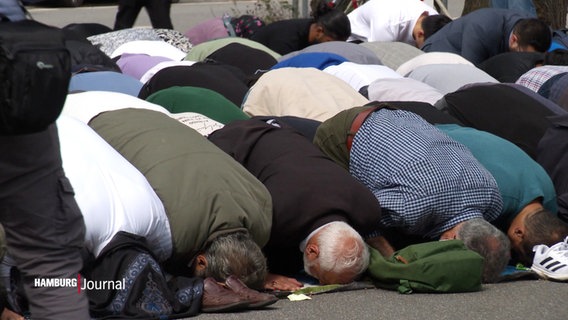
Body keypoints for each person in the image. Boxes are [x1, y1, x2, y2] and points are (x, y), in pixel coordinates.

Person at [313, 104, 510, 282]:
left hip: (402, 117)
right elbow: (361, 210)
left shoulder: (492, 197)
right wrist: (392, 263)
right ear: (449, 240)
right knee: (341, 209)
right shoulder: (414, 207)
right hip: (347, 132)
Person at [86, 107, 273, 290]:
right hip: (98, 123)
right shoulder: (173, 238)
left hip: (152, 114)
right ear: (201, 262)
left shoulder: (263, 219)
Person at [207, 117, 382, 290]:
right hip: (229, 143)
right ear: (312, 251)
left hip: (282, 128)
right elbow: (231, 248)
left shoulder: (368, 208)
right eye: (321, 278)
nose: (320, 284)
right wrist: (264, 277)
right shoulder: (271, 218)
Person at [436, 123, 568, 267]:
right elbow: (451, 231)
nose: (510, 249)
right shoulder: (492, 198)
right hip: (430, 138)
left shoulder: (548, 195)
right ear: (518, 233)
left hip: (462, 131)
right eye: (516, 250)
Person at [421, 8, 551, 65]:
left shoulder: (533, 28)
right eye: (526, 56)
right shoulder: (481, 30)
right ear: (514, 40)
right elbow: (471, 76)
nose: (529, 61)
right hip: (440, 54)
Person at [249, 0, 351, 55]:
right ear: (319, 31)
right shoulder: (286, 40)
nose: (334, 49)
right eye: (330, 43)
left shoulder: (309, 30)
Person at [346, 0, 450, 47]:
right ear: (420, 34)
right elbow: (377, 57)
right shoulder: (388, 25)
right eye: (427, 45)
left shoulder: (434, 17)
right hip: (353, 39)